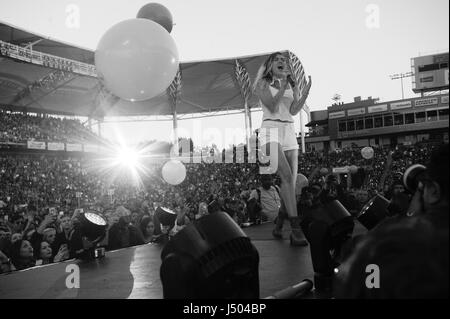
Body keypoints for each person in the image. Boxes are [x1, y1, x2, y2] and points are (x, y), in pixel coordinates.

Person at [253, 52, 311, 246]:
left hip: (289, 129)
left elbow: (294, 110)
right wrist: (284, 85)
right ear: (270, 65)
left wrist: (305, 92)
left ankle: (279, 223)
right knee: (285, 176)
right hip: (270, 129)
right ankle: (295, 229)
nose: (282, 62)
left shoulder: (291, 83)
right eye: (277, 59)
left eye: (283, 60)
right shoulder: (262, 83)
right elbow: (271, 105)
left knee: (291, 186)